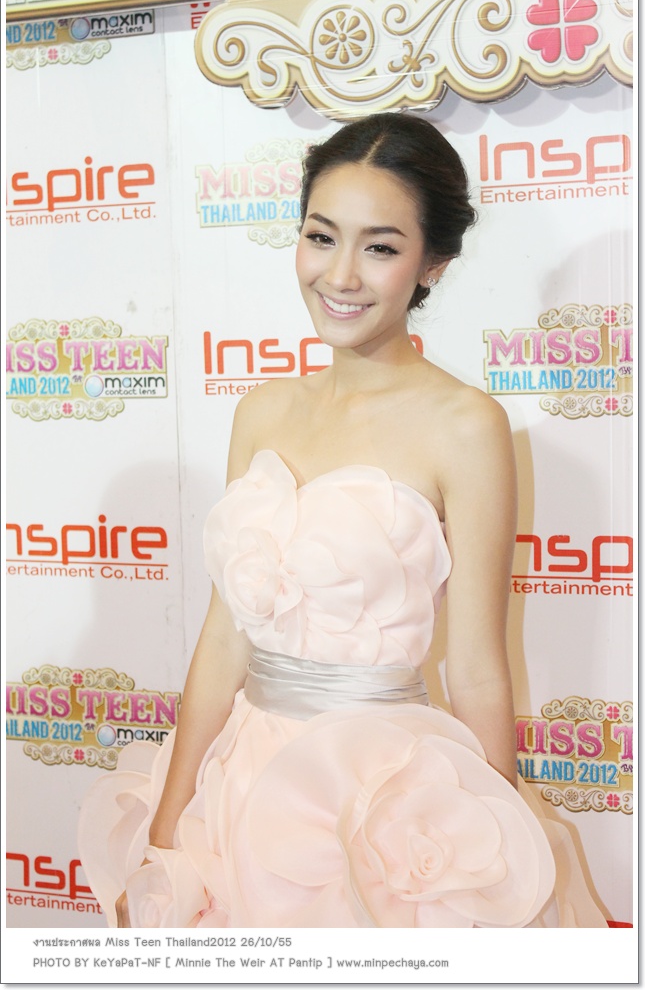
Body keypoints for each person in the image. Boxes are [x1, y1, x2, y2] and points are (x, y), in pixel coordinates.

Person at [79, 112, 606, 928]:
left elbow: (475, 667)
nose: (342, 275)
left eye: (380, 247)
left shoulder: (465, 426)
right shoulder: (259, 412)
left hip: (373, 805)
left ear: (432, 264)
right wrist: (166, 828)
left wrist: (499, 872)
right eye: (321, 237)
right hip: (238, 783)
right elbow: (223, 640)